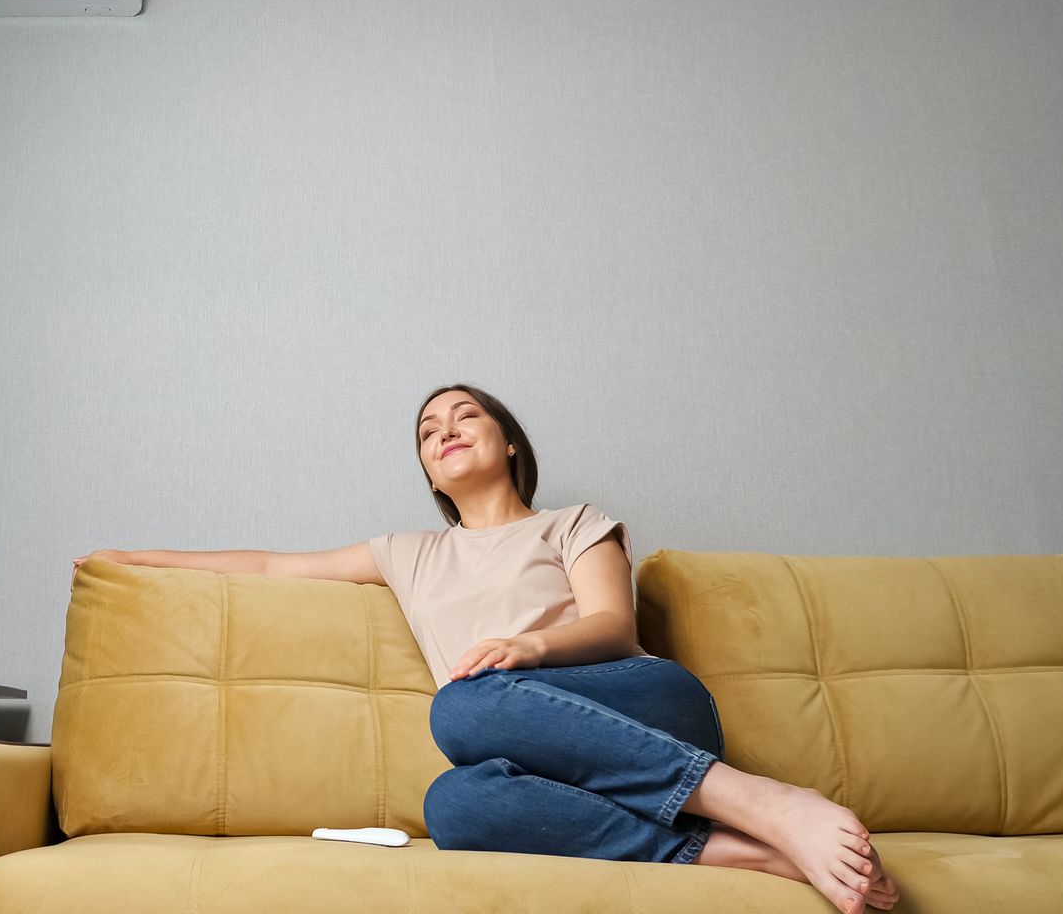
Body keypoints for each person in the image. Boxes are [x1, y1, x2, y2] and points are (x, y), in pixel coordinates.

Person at [72, 383, 897, 914]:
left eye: (467, 415)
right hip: (519, 742)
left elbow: (613, 624)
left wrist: (529, 647)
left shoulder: (571, 523)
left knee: (462, 702)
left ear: (507, 445)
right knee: (454, 806)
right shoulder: (407, 552)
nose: (446, 429)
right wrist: (133, 559)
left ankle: (759, 799)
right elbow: (268, 565)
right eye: (430, 430)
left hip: (644, 704)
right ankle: (744, 853)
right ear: (432, 473)